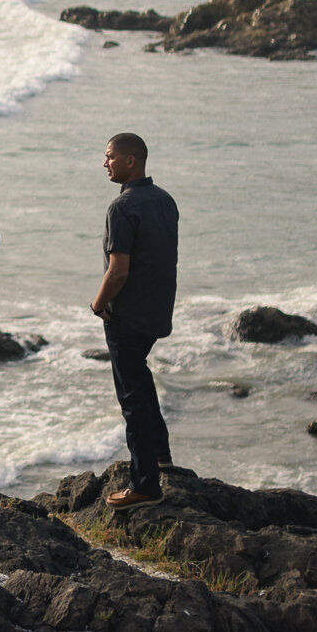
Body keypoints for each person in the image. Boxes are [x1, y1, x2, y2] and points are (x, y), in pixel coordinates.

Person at [91, 131, 178, 506]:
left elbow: (118, 271)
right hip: (157, 310)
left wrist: (98, 304)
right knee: (141, 379)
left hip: (127, 315)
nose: (105, 162)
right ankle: (162, 455)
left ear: (131, 160)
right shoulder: (165, 201)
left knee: (132, 398)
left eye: (110, 156)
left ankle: (145, 485)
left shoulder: (121, 208)